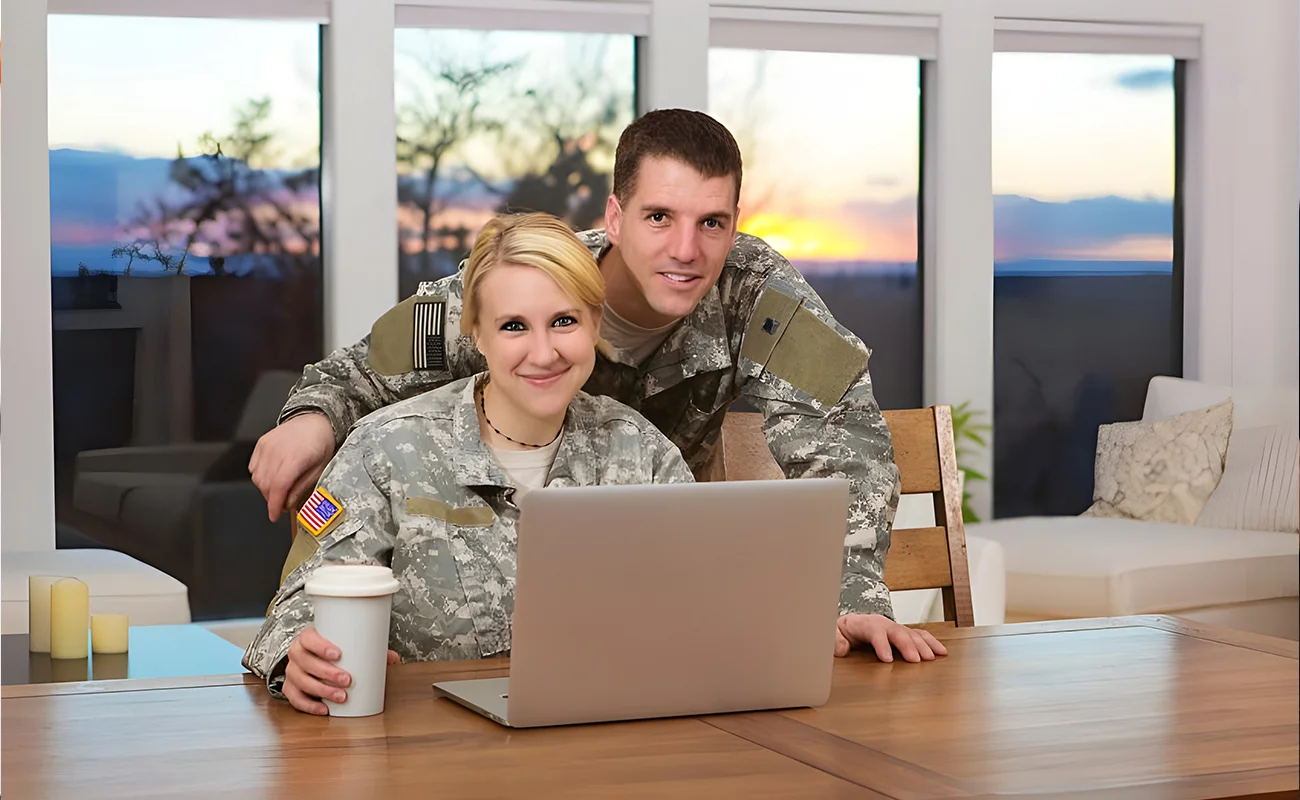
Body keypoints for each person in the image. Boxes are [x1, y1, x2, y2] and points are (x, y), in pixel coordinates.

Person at [249, 109, 947, 666]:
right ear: (614, 218)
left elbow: (842, 437)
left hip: (645, 572)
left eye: (712, 222)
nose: (685, 249)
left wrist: (848, 595)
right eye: (658, 217)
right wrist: (315, 417)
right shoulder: (523, 282)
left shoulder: (756, 292)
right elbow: (370, 363)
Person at [243, 213, 695, 715]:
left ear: (594, 323)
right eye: (513, 326)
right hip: (428, 755)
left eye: (564, 321)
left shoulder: (643, 453)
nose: (543, 353)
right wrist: (298, 656)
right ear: (476, 334)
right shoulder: (387, 449)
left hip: (606, 741)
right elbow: (297, 602)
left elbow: (705, 607)